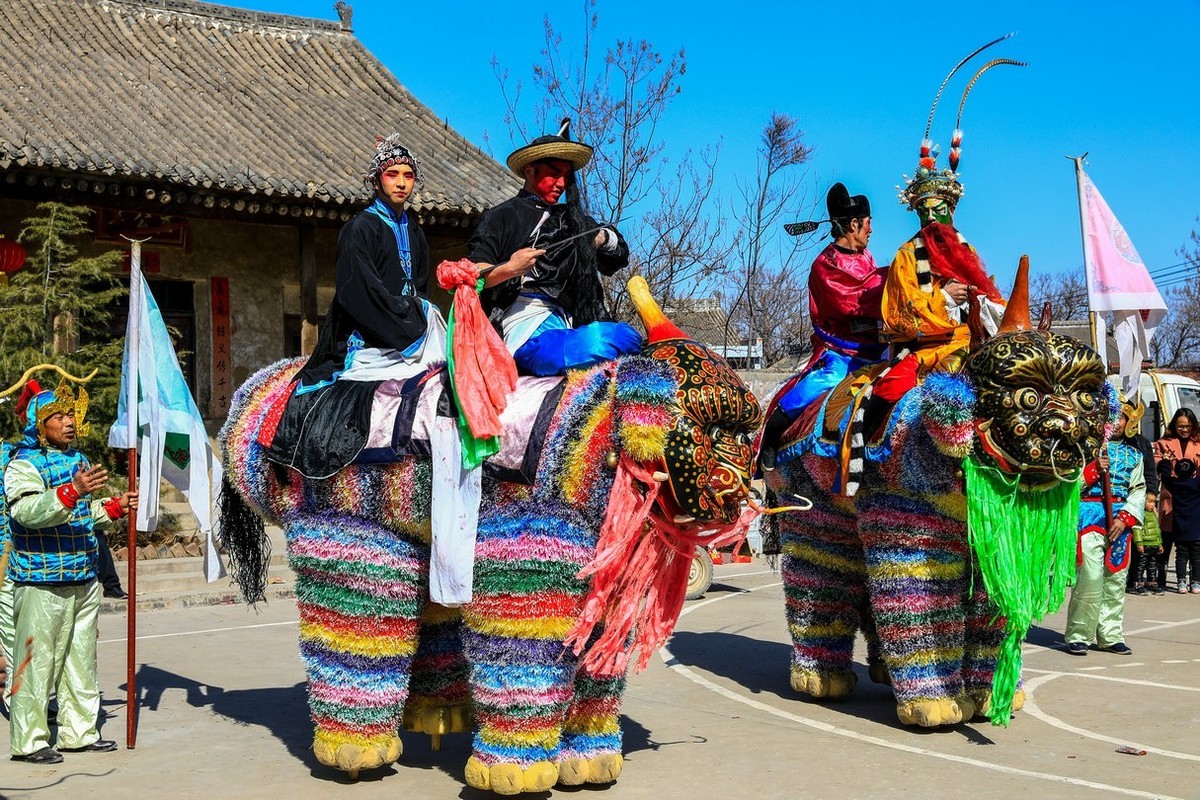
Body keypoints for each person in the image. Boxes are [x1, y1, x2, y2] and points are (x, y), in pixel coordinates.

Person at [267, 135, 446, 479]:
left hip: (412, 327)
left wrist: (418, 314)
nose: (401, 183)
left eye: (408, 175)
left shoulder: (417, 233)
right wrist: (404, 322)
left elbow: (418, 288)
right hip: (365, 335)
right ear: (377, 179)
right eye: (393, 174)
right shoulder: (359, 229)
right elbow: (357, 291)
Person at [5, 378, 137, 763]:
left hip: (82, 575)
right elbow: (25, 513)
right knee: (37, 662)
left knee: (81, 660)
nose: (68, 422)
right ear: (37, 424)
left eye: (71, 414)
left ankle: (79, 732)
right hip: (40, 580)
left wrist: (111, 507)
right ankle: (30, 740)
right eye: (58, 416)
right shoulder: (22, 464)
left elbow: (80, 515)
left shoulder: (77, 462)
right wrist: (71, 491)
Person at [467, 119, 642, 376]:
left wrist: (601, 237)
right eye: (554, 174)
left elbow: (618, 257)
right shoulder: (501, 216)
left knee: (628, 336)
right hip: (523, 331)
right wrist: (511, 268)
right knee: (601, 342)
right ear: (529, 171)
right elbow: (475, 274)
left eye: (566, 176)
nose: (561, 183)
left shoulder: (573, 220)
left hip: (568, 325)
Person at [759, 182, 886, 467]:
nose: (871, 229)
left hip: (878, 349)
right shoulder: (825, 265)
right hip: (841, 353)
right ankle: (769, 439)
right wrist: (895, 284)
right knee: (815, 387)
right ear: (853, 224)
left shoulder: (866, 257)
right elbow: (854, 299)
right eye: (868, 223)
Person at [1063, 395, 1146, 655]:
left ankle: (1110, 634)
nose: (1117, 422)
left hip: (1120, 520)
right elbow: (1067, 485)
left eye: (1122, 417)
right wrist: (1092, 470)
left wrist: (1125, 519)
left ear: (1130, 421)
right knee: (1089, 577)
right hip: (1088, 516)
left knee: (1116, 579)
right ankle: (1079, 634)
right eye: (1112, 416)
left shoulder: (1135, 455)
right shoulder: (1084, 449)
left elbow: (1139, 489)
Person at [1153, 408, 1200, 592]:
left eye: (1188, 426)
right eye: (1181, 426)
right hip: (1171, 497)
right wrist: (1163, 462)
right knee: (1166, 542)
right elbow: (1157, 464)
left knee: (1194, 547)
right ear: (1174, 425)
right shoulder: (1163, 442)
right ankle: (1160, 578)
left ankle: (1192, 579)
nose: (1185, 430)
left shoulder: (1198, 443)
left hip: (1193, 500)